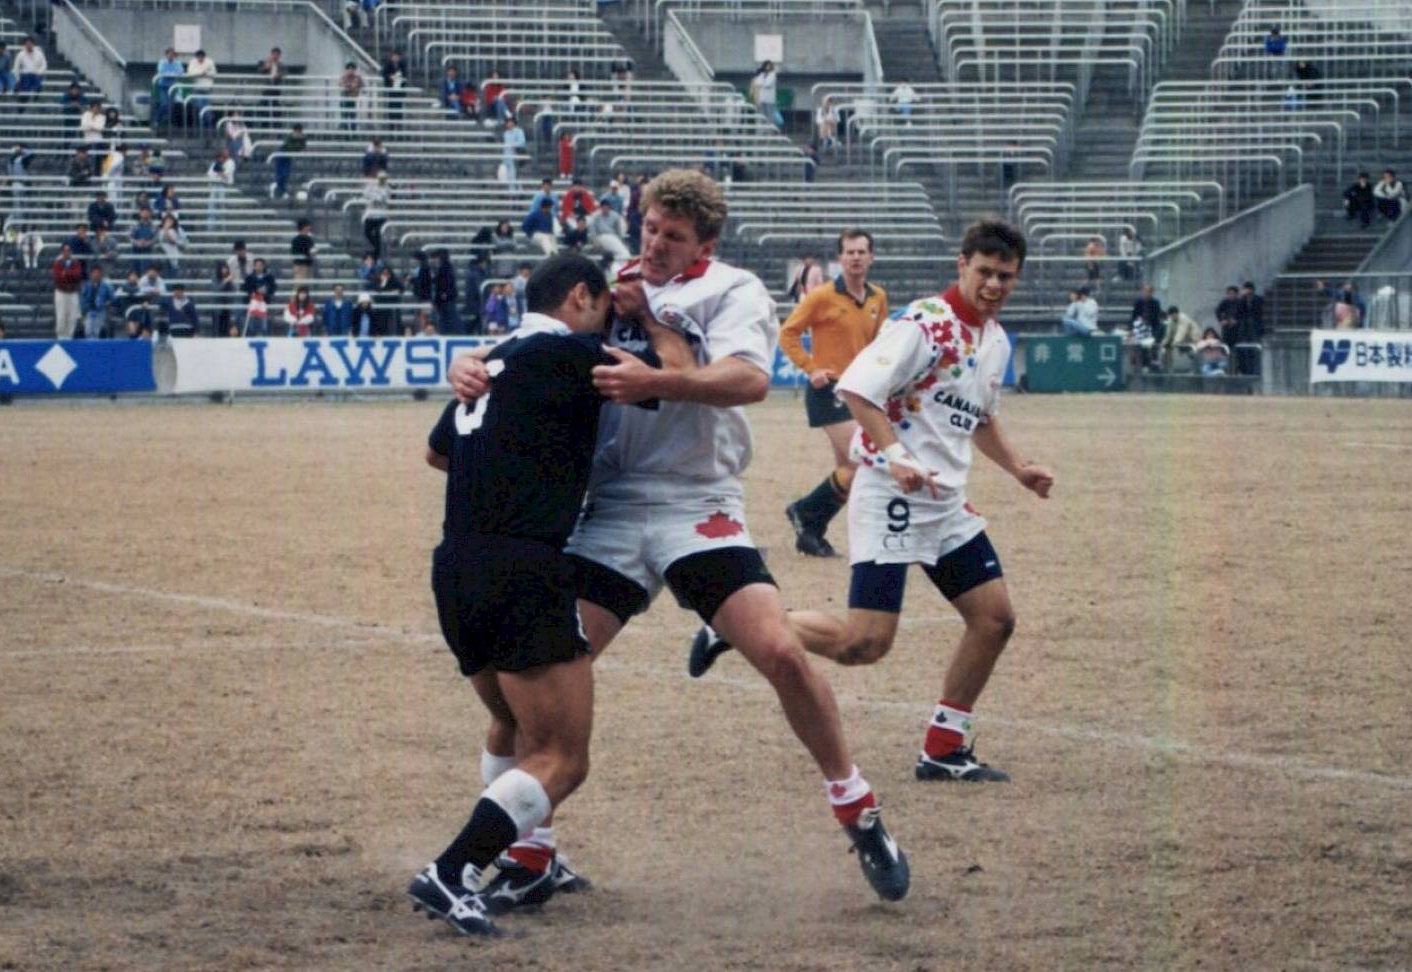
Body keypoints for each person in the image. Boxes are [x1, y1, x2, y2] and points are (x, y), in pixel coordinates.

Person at [449, 169, 911, 911]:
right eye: (650, 228)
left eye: (674, 235)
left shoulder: (732, 290)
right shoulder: (613, 288)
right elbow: (534, 346)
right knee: (534, 684)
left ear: (706, 244)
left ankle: (858, 810)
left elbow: (747, 381)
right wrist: (469, 365)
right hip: (610, 509)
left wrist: (658, 372)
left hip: (699, 503)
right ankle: (532, 854)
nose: (656, 244)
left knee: (781, 653)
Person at [692, 219, 1056, 786]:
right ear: (962, 265)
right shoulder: (925, 324)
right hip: (892, 494)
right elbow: (858, 389)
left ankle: (943, 749)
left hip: (944, 502)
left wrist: (1018, 468)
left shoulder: (994, 340)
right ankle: (744, 628)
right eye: (984, 272)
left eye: (1005, 277)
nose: (993, 285)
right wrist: (895, 454)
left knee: (994, 620)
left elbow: (980, 418)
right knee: (863, 645)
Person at [411, 252, 694, 936]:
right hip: (523, 568)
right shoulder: (569, 354)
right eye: (604, 309)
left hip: (457, 565)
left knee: (516, 729)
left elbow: (439, 451)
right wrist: (655, 323)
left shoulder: (495, 359)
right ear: (580, 297)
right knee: (563, 758)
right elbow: (677, 377)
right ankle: (452, 871)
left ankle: (526, 855)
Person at [779, 229, 888, 557]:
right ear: (840, 258)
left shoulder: (878, 297)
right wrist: (811, 368)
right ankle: (804, 511)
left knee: (851, 473)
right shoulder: (822, 296)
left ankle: (810, 528)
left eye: (861, 252)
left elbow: (880, 345)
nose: (855, 257)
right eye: (849, 252)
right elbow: (788, 334)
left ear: (871, 257)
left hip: (861, 391)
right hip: (830, 391)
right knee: (865, 460)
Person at [51, 244, 85, 338]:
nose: (67, 253)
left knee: (72, 316)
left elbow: (77, 275)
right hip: (61, 292)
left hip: (73, 292)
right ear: (62, 252)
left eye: (68, 251)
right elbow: (57, 277)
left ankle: (69, 336)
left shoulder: (75, 263)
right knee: (61, 316)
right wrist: (70, 275)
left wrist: (65, 273)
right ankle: (61, 336)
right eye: (65, 251)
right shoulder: (58, 263)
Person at [1160, 305, 1199, 371]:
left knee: (1192, 353)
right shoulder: (1170, 320)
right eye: (1171, 316)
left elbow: (1181, 332)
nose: (1172, 317)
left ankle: (1196, 369)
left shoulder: (1183, 318)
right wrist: (1164, 342)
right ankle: (1168, 368)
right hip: (1182, 339)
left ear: (1177, 313)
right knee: (1167, 347)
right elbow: (1169, 333)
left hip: (1192, 337)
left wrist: (1175, 342)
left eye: (1173, 315)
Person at [80, 265, 114, 338]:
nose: (96, 275)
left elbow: (113, 298)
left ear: (101, 274)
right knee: (88, 331)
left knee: (96, 331)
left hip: (101, 311)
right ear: (91, 274)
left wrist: (107, 303)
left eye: (98, 273)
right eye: (94, 273)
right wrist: (83, 312)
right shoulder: (86, 285)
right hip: (89, 311)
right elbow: (82, 299)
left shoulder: (106, 286)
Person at [361, 172, 390, 259]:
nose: (382, 180)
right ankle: (376, 249)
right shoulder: (371, 186)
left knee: (378, 234)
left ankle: (376, 253)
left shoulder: (387, 188)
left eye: (383, 179)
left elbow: (383, 198)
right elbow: (366, 195)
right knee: (367, 232)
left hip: (381, 215)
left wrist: (375, 197)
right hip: (370, 214)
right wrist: (374, 197)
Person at [206, 149, 235, 233]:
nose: (225, 155)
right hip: (214, 185)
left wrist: (219, 174)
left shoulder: (230, 162)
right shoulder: (215, 163)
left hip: (224, 186)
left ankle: (223, 229)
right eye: (223, 153)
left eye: (226, 153)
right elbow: (209, 174)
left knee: (222, 207)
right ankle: (210, 228)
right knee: (211, 206)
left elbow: (226, 174)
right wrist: (219, 174)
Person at [155, 48, 184, 126]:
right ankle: (157, 120)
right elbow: (162, 72)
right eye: (170, 54)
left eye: (173, 54)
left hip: (173, 86)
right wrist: (172, 74)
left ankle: (169, 122)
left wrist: (170, 74)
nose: (171, 56)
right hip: (164, 86)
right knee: (164, 104)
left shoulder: (177, 63)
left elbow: (180, 72)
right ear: (166, 55)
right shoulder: (162, 62)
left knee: (171, 105)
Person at [274, 124, 305, 198]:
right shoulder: (289, 137)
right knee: (280, 174)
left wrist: (297, 145)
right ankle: (279, 190)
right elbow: (290, 147)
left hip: (288, 158)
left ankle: (282, 190)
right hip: (281, 156)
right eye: (296, 132)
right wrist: (296, 146)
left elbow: (302, 146)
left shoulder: (302, 138)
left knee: (285, 174)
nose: (297, 134)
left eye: (299, 132)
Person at [750, 60, 782, 128]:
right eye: (767, 65)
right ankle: (762, 131)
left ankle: (770, 131)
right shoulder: (761, 74)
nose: (768, 67)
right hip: (762, 99)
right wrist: (762, 82)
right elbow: (757, 83)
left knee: (770, 116)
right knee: (761, 116)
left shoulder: (773, 75)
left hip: (770, 99)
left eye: (769, 66)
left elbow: (768, 84)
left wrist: (761, 83)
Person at [499, 117, 526, 191]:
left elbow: (522, 143)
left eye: (511, 122)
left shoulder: (519, 131)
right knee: (509, 176)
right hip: (507, 157)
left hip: (516, 157)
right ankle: (512, 191)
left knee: (516, 175)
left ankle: (519, 192)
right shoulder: (505, 133)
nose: (509, 124)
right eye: (508, 122)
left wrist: (513, 144)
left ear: (514, 123)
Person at [339, 62, 363, 132]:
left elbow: (361, 85)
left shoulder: (357, 77)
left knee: (353, 116)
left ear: (355, 70)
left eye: (352, 69)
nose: (350, 70)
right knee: (344, 116)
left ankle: (353, 131)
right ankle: (345, 131)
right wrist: (350, 86)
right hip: (344, 99)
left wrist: (354, 86)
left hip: (353, 100)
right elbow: (341, 84)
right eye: (349, 69)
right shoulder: (343, 77)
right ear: (346, 70)